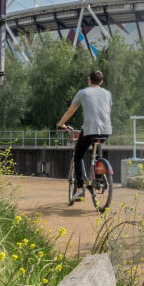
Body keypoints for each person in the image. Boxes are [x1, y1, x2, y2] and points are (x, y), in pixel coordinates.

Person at [57, 70, 112, 201]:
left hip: (89, 130)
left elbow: (71, 110)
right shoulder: (107, 93)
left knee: (78, 155)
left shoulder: (83, 92)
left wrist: (61, 124)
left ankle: (81, 189)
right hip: (106, 130)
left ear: (89, 80)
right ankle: (99, 180)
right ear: (101, 82)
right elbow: (107, 112)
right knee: (98, 154)